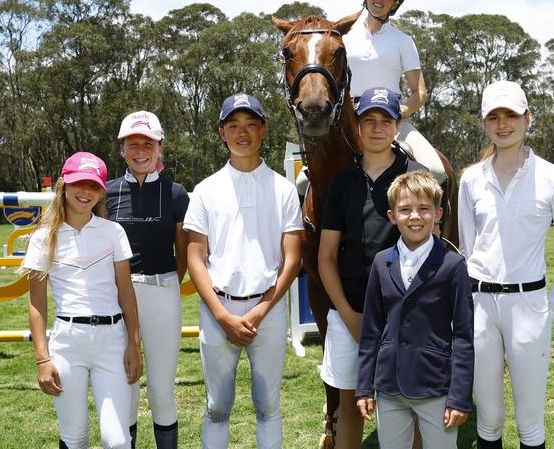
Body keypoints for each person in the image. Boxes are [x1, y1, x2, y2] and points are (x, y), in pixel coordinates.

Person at [458, 80, 554, 449]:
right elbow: (467, 249)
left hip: (529, 305)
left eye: (510, 114)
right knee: (489, 417)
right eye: (493, 116)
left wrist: (546, 310)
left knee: (529, 421)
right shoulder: (470, 180)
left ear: (527, 118)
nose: (502, 124)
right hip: (481, 306)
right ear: (484, 123)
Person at [183, 93, 302, 448]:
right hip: (218, 310)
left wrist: (262, 309)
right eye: (233, 125)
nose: (242, 133)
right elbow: (195, 258)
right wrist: (222, 316)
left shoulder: (283, 189)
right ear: (222, 132)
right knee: (217, 408)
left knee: (268, 406)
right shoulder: (205, 190)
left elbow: (292, 259)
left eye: (251, 124)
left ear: (263, 129)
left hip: (268, 307)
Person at [317, 87, 426, 448]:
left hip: (406, 317)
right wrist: (349, 316)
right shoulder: (342, 182)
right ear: (357, 126)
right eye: (369, 121)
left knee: (409, 409)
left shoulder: (416, 176)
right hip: (350, 312)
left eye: (386, 121)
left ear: (397, 126)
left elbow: (428, 254)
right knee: (350, 408)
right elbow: (326, 257)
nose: (377, 128)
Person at [24, 151, 142, 449]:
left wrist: (133, 344)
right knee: (74, 438)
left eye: (93, 186)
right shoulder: (43, 238)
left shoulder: (113, 232)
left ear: (101, 191)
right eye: (79, 184)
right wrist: (42, 358)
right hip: (67, 344)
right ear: (64, 185)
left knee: (117, 441)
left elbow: (126, 293)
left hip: (112, 342)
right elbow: (37, 303)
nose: (85, 192)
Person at [356, 170, 474, 448]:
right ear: (391, 216)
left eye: (423, 209)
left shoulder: (453, 265)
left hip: (435, 387)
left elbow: (464, 336)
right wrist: (364, 386)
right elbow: (371, 329)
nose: (415, 216)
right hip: (389, 387)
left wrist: (459, 396)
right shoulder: (381, 262)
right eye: (405, 209)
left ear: (438, 213)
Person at [105, 110, 189, 448]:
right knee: (125, 386)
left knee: (161, 390)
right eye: (133, 143)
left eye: (148, 143)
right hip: (115, 297)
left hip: (162, 292)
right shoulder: (106, 193)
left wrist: (166, 284)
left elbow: (182, 253)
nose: (141, 150)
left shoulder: (175, 192)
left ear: (160, 148)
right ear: (122, 149)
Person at [343, 0, 445, 184]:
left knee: (436, 170)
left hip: (391, 117)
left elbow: (419, 93)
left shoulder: (403, 41)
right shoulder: (344, 36)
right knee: (303, 181)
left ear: (395, 3)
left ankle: (436, 218)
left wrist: (399, 112)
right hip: (348, 120)